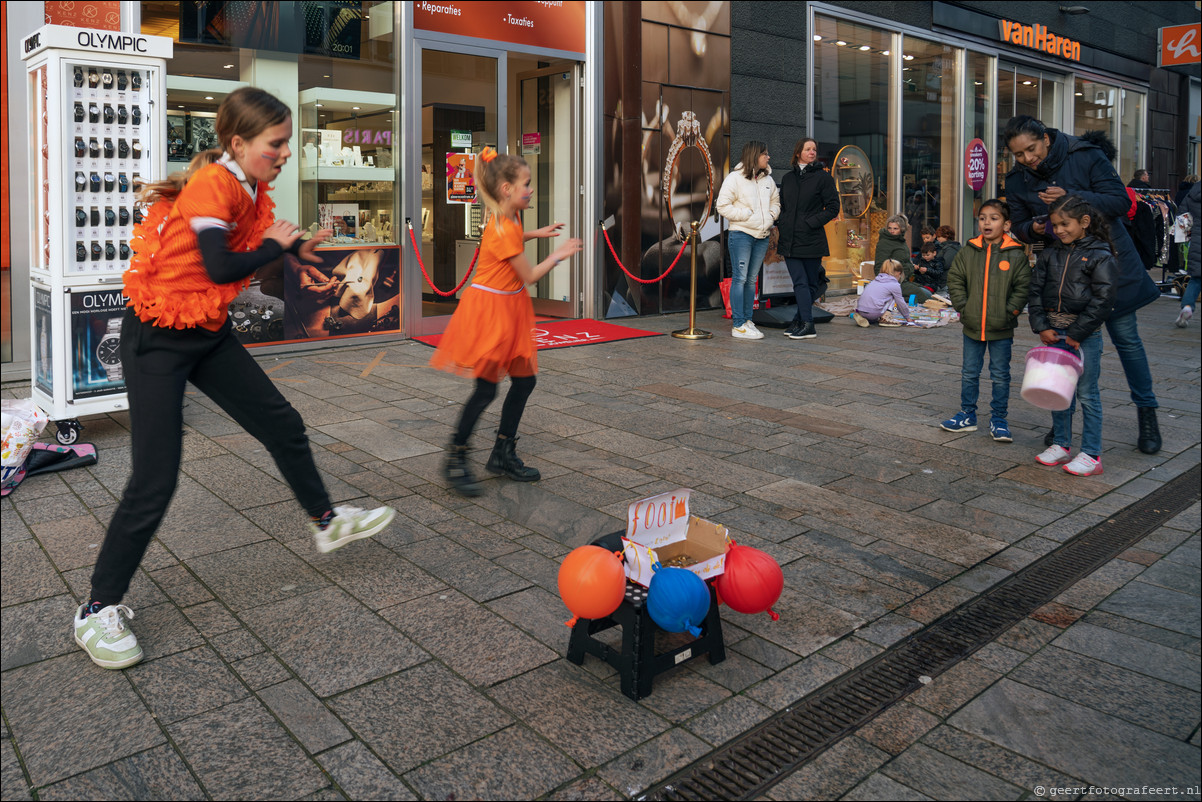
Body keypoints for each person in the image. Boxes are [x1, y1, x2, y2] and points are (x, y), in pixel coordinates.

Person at [76, 88, 397, 671]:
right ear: (239, 143)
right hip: (157, 341)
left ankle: (326, 521)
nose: (284, 152)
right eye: (276, 144)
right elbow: (224, 264)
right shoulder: (210, 186)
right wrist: (277, 245)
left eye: (287, 142)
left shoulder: (247, 186)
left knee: (282, 423)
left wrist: (297, 243)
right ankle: (97, 608)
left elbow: (244, 248)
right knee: (155, 479)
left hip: (208, 331)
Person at [1003, 115, 1163, 454]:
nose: (1028, 159)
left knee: (1127, 340)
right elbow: (1018, 226)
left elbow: (1120, 201)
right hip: (1062, 273)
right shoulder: (1017, 179)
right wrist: (1036, 227)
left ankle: (1147, 412)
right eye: (1019, 154)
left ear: (1045, 138)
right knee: (1064, 346)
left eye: (1031, 149)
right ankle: (1061, 426)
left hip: (1108, 262)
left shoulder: (1085, 154)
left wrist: (1072, 197)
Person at [431, 147, 582, 497]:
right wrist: (558, 254)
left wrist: (537, 234)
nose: (530, 190)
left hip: (509, 308)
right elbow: (529, 275)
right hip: (491, 314)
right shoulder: (502, 225)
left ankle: (502, 452)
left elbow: (510, 243)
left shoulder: (509, 218)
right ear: (507, 190)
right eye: (526, 184)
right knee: (486, 389)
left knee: (524, 381)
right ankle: (456, 458)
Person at [1029, 195, 1117, 476]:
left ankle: (1092, 454)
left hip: (1084, 336)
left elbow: (1103, 300)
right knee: (1058, 390)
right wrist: (1041, 325)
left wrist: (1078, 332)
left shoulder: (1100, 255)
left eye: (1065, 224)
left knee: (1087, 394)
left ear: (1084, 222)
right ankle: (1061, 444)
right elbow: (1035, 292)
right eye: (1056, 225)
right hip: (1054, 334)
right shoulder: (1049, 254)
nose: (1060, 230)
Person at [940, 200, 1031, 442]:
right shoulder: (968, 251)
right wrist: (963, 306)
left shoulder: (1015, 254)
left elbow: (1022, 288)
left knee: (1000, 374)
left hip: (1001, 327)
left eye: (994, 218)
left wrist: (1010, 311)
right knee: (969, 372)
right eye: (982, 218)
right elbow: (956, 279)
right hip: (972, 325)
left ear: (1006, 224)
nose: (987, 222)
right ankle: (967, 414)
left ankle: (999, 419)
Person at [716, 140, 779, 340]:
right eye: (765, 154)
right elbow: (722, 206)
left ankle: (747, 320)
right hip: (741, 234)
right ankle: (738, 324)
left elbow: (776, 202)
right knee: (740, 278)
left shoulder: (768, 180)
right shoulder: (735, 178)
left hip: (762, 236)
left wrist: (770, 216)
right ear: (754, 155)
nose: (768, 157)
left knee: (751, 280)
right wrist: (747, 215)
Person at [776, 137, 838, 340]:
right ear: (798, 153)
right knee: (800, 282)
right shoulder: (787, 179)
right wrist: (782, 223)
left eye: (814, 149)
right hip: (789, 239)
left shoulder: (823, 178)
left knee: (811, 284)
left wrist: (811, 222)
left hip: (812, 239)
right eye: (807, 149)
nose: (812, 152)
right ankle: (807, 324)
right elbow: (783, 206)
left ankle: (800, 320)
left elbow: (833, 208)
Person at [852, 259, 912, 327]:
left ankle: (865, 318)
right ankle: (885, 318)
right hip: (874, 312)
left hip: (861, 310)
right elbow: (900, 303)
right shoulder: (894, 285)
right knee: (894, 297)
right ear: (898, 273)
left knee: (878, 299)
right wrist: (907, 317)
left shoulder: (875, 280)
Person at [1178, 180, 1200, 327]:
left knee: (1196, 279)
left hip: (1198, 242)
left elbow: (1181, 215)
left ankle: (1187, 307)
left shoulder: (1193, 193)